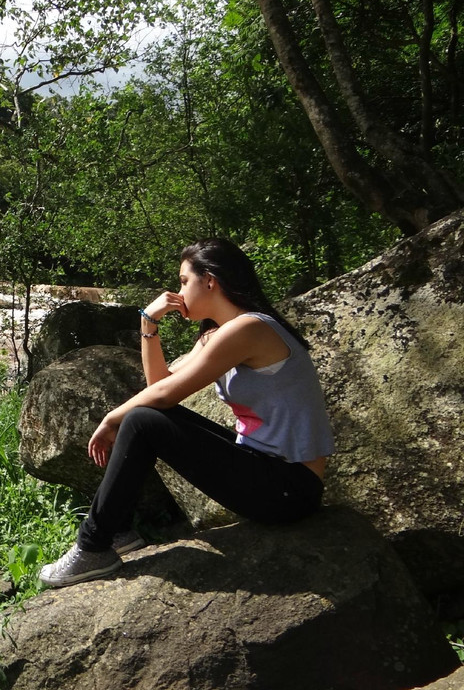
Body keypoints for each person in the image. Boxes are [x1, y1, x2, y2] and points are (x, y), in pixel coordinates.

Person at [39, 238, 335, 588]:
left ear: (209, 280)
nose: (178, 292)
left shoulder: (250, 329)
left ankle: (93, 545)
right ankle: (114, 531)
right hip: (265, 470)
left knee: (141, 420)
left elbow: (162, 396)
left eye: (183, 281)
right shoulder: (218, 334)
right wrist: (148, 324)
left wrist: (110, 418)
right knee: (144, 418)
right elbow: (159, 386)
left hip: (290, 488)